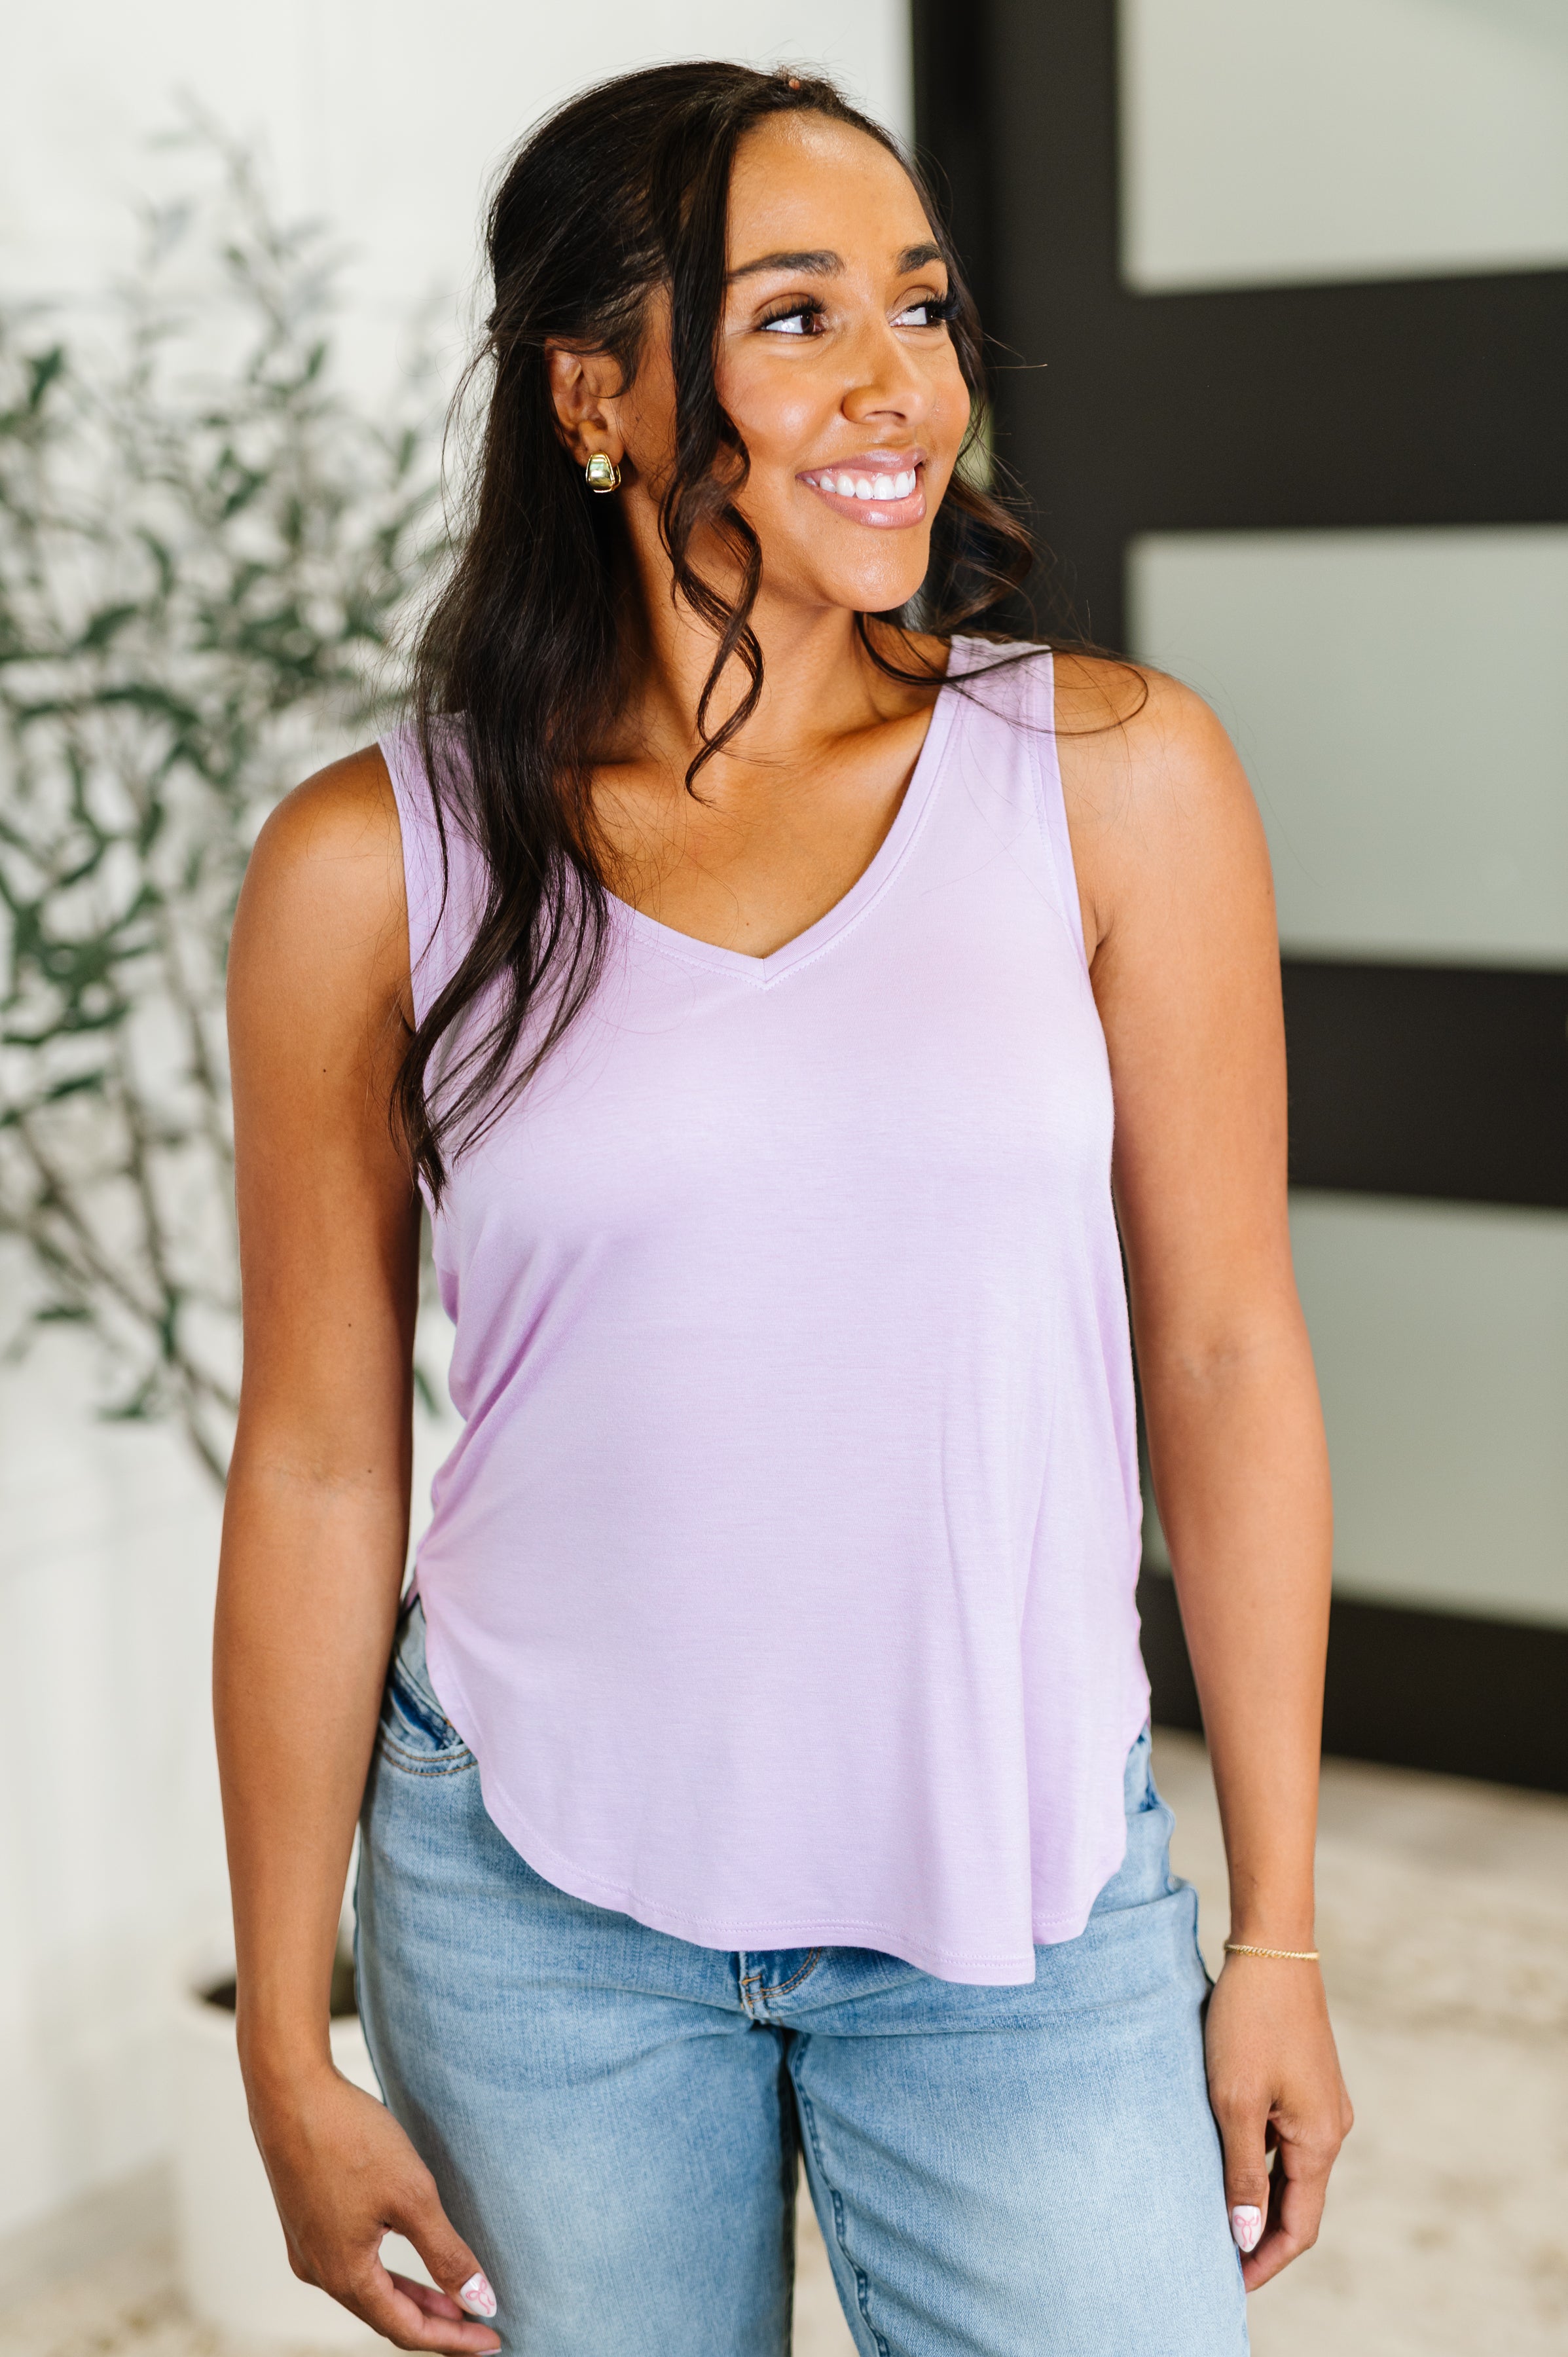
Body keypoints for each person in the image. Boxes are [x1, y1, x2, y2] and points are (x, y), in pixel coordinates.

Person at [216, 60, 1351, 2357]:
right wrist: (278, 2043)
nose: (898, 389)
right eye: (799, 315)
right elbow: (327, 1453)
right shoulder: (375, 864)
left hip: (1014, 1901)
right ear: (597, 395)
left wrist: (1274, 1938)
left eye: (920, 312)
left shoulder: (1113, 780)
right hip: (536, 1905)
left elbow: (1225, 1353)